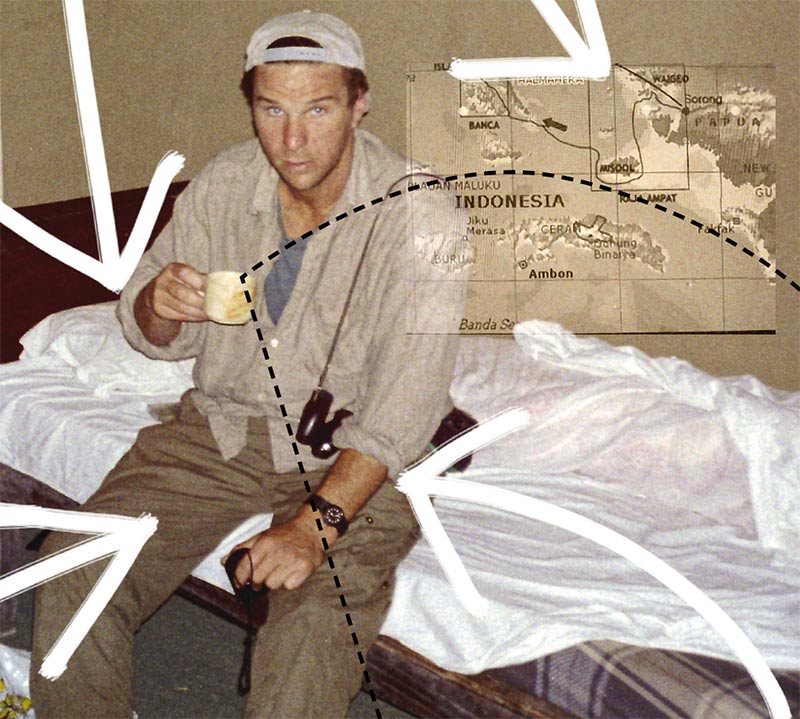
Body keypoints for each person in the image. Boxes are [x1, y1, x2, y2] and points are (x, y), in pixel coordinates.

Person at [30, 10, 464, 718]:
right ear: (252, 105)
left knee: (311, 630)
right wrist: (160, 305)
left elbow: (404, 406)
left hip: (357, 456)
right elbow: (148, 326)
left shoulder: (421, 215)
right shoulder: (225, 184)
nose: (292, 139)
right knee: (78, 566)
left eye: (318, 109)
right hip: (224, 431)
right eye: (271, 109)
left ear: (360, 103)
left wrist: (313, 529)